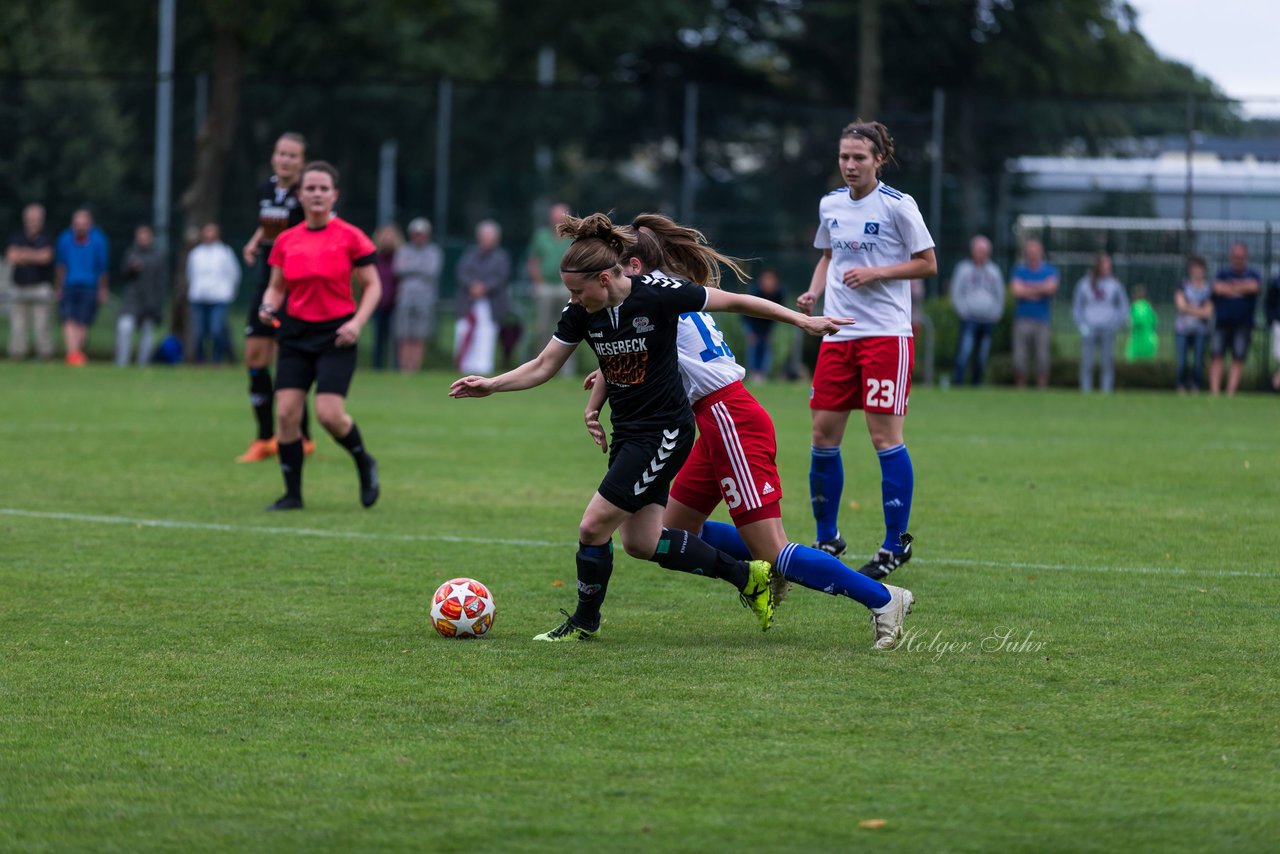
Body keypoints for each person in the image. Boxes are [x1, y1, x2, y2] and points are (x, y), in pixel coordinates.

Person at [450, 212, 851, 642]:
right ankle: (747, 578)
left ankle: (584, 621)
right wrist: (491, 384)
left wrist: (803, 321)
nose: (572, 298)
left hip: (665, 432)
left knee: (592, 526)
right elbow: (545, 365)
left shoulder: (659, 294)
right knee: (642, 542)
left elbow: (737, 301)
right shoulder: (582, 310)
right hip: (628, 432)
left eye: (577, 289)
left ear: (604, 278)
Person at [582, 214, 914, 649]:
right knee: (674, 527)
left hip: (730, 418)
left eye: (616, 264)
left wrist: (802, 320)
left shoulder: (652, 299)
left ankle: (884, 598)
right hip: (711, 420)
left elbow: (707, 319)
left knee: (773, 548)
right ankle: (759, 568)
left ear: (636, 267)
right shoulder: (658, 292)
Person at [797, 119, 937, 580]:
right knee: (822, 436)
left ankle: (896, 544)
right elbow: (829, 255)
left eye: (859, 157)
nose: (850, 165)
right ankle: (827, 538)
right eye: (844, 157)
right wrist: (814, 292)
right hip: (838, 334)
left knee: (884, 439)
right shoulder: (830, 203)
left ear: (879, 159)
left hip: (885, 336)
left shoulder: (899, 206)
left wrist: (877, 273)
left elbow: (928, 264)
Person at [258, 161, 381, 512]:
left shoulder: (350, 236)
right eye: (309, 188)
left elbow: (373, 286)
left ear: (334, 195)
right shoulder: (286, 239)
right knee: (286, 415)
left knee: (328, 414)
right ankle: (292, 495)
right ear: (300, 195)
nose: (316, 194)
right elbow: (275, 288)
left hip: (337, 335)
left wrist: (357, 323)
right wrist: (268, 307)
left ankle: (363, 461)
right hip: (295, 334)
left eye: (323, 188)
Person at [238, 132, 312, 462]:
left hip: (294, 286)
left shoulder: (308, 193)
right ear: (273, 157)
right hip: (265, 282)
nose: (285, 159)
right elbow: (270, 225)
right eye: (281, 153)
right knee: (255, 359)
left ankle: (301, 436)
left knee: (288, 362)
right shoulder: (266, 189)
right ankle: (264, 437)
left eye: (292, 155)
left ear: (301, 161)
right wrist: (256, 241)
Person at [54, 207, 110, 366]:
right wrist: (58, 287)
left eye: (84, 223)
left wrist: (103, 289)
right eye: (77, 223)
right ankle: (73, 355)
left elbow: (102, 269)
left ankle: (74, 354)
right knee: (68, 320)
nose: (80, 226)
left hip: (89, 287)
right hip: (69, 286)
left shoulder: (98, 240)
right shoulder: (65, 239)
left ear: (90, 224)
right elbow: (61, 266)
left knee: (82, 322)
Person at [453, 219, 510, 375]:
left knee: (486, 335)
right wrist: (472, 286)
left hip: (491, 303)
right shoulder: (469, 254)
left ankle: (483, 368)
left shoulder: (501, 257)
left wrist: (484, 287)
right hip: (469, 303)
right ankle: (463, 366)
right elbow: (462, 272)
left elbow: (501, 277)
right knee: (463, 331)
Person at [949, 234, 1005, 386]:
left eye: (983, 250)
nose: (980, 253)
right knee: (964, 352)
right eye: (978, 249)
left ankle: (977, 384)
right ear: (972, 250)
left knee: (982, 355)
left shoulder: (994, 271)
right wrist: (962, 311)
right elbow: (956, 292)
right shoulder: (963, 269)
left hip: (987, 320)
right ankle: (958, 383)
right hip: (969, 318)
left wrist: (996, 313)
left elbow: (1000, 294)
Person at [526, 203, 576, 373]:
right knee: (542, 328)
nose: (558, 220)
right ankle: (540, 367)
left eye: (561, 216)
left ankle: (566, 370)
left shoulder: (573, 237)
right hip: (545, 285)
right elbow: (533, 262)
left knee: (570, 326)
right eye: (555, 216)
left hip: (567, 287)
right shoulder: (540, 236)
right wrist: (538, 282)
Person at [1209, 242, 1261, 397]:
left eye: (1241, 256)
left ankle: (1230, 394)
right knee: (1217, 355)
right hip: (1222, 322)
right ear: (1231, 257)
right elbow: (1217, 288)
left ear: (1246, 257)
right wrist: (1241, 288)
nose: (1238, 259)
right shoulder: (1222, 273)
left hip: (1243, 324)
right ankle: (1215, 393)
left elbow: (1254, 287)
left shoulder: (1253, 274)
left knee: (1238, 357)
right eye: (1235, 256)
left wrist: (1229, 288)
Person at [392, 217, 443, 373]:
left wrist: (411, 267)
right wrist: (417, 268)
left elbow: (431, 271)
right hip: (405, 299)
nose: (419, 237)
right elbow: (398, 269)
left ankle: (415, 368)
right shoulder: (403, 250)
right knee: (404, 335)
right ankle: (404, 368)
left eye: (422, 234)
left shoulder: (434, 251)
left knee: (419, 336)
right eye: (416, 234)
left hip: (425, 300)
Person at [1071, 253, 1129, 393]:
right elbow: (1077, 307)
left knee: (1107, 364)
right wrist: (1082, 325)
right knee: (1087, 363)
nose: (1108, 267)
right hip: (1089, 329)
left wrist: (1116, 323)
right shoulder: (1084, 284)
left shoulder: (1115, 284)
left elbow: (1123, 306)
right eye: (1105, 264)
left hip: (1108, 329)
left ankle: (1106, 392)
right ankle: (1086, 392)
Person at [5, 203, 55, 361]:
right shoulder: (17, 237)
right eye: (31, 218)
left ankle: (44, 354)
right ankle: (17, 354)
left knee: (42, 324)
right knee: (18, 324)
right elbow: (11, 257)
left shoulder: (47, 237)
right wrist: (35, 255)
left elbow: (46, 257)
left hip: (40, 286)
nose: (34, 221)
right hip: (19, 286)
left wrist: (24, 254)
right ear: (25, 219)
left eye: (37, 218)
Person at [186, 223, 241, 364]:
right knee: (199, 333)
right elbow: (190, 274)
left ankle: (217, 360)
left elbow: (234, 274)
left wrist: (229, 293)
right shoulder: (196, 254)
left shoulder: (225, 253)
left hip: (219, 298)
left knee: (216, 331)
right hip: (199, 297)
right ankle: (200, 360)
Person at [115, 224, 168, 367]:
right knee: (125, 328)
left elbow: (161, 284)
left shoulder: (158, 257)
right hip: (131, 302)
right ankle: (121, 364)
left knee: (147, 335)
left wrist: (156, 304)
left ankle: (143, 365)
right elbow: (123, 276)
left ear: (151, 238)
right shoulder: (131, 254)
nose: (143, 239)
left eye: (146, 236)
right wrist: (131, 270)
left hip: (150, 304)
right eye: (140, 236)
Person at [1009, 238, 1059, 389]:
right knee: (1019, 358)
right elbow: (1017, 291)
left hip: (1042, 320)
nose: (1032, 253)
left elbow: (1051, 288)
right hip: (1022, 319)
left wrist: (1027, 288)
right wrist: (1040, 288)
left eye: (1035, 250)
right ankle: (1020, 389)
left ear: (1040, 252)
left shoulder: (1050, 270)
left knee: (1042, 358)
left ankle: (1041, 388)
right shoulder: (1019, 270)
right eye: (1029, 251)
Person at [1174, 256, 1213, 394]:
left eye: (1200, 269)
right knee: (1182, 362)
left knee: (1198, 363)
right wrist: (1199, 310)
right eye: (1194, 269)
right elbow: (1180, 306)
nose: (1197, 272)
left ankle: (1196, 387)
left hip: (1201, 330)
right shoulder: (1183, 285)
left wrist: (1189, 308)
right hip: (1183, 328)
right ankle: (1181, 387)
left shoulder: (1208, 289)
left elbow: (1208, 313)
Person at [742, 267, 784, 383]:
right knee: (754, 347)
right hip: (751, 323)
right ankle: (753, 374)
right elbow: (745, 313)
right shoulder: (755, 292)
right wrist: (750, 332)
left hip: (766, 326)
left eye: (772, 279)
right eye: (766, 279)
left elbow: (777, 313)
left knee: (766, 347)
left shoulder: (778, 294)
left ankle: (762, 374)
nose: (769, 282)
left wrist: (770, 331)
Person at [371, 223, 402, 371]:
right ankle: (377, 367)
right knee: (378, 338)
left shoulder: (400, 257)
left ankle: (396, 368)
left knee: (396, 339)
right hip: (378, 303)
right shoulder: (374, 257)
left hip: (396, 304)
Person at [1125, 283, 1158, 362]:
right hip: (1149, 338)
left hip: (1137, 339)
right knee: (1148, 362)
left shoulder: (1135, 306)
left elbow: (1131, 322)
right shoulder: (1148, 306)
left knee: (1132, 361)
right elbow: (1155, 321)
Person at [1266, 272, 1280, 392]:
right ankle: (1274, 385)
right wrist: (1272, 320)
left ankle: (1274, 384)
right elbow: (1269, 302)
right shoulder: (1277, 281)